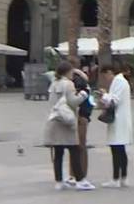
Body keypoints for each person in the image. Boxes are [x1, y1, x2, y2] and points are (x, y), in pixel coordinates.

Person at [43, 61, 93, 191]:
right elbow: (73, 102)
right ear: (67, 72)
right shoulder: (69, 84)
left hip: (56, 120)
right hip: (67, 122)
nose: (72, 75)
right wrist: (83, 94)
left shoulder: (54, 84)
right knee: (75, 150)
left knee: (58, 153)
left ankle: (59, 181)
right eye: (72, 72)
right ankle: (80, 180)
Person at [99, 64, 133, 188]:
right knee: (121, 150)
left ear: (109, 72)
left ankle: (116, 178)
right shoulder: (122, 81)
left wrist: (104, 95)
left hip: (118, 120)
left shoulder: (118, 81)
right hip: (122, 119)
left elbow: (114, 101)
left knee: (116, 150)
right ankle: (123, 177)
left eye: (105, 76)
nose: (105, 79)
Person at [69, 56, 93, 185]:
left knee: (80, 145)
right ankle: (75, 174)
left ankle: (80, 174)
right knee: (77, 146)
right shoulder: (79, 78)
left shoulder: (78, 80)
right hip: (82, 115)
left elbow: (81, 99)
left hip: (80, 116)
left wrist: (81, 116)